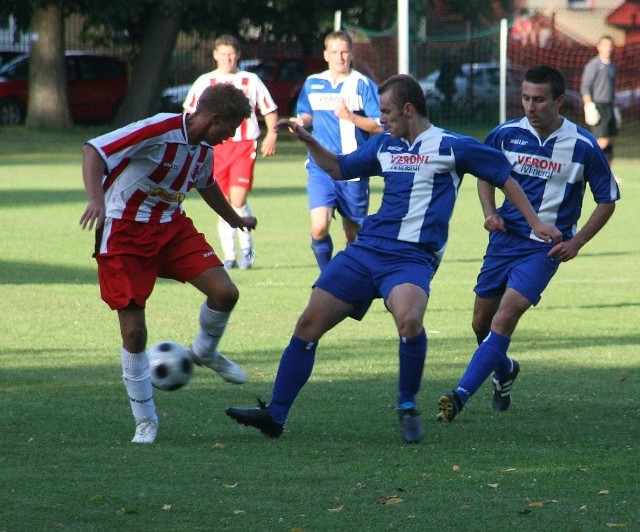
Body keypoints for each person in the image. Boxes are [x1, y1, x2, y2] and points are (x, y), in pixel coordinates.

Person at [225, 74, 561, 443]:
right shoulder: (384, 144)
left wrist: (534, 222)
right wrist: (309, 141)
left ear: (408, 109)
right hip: (365, 251)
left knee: (410, 322)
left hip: (411, 259)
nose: (380, 119)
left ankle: (406, 404)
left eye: (385, 111)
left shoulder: (452, 145)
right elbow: (339, 167)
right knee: (307, 324)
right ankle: (275, 414)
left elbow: (504, 176)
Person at [437, 65, 620, 423]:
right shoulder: (505, 135)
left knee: (504, 318)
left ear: (558, 101)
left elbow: (608, 199)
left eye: (538, 100)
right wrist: (490, 212)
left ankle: (459, 395)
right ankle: (504, 370)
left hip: (544, 249)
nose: (530, 106)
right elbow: (485, 175)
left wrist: (577, 241)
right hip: (504, 241)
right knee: (480, 324)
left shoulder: (582, 146)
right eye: (525, 98)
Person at [80, 84, 256, 444]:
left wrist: (234, 218)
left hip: (171, 229)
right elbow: (94, 150)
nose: (232, 136)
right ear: (214, 119)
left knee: (225, 292)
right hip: (124, 233)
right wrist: (96, 200)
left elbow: (206, 185)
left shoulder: (205, 147)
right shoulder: (159, 130)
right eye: (231, 127)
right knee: (134, 333)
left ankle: (205, 351)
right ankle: (146, 420)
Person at [183, 35, 278, 270]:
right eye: (223, 54)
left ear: (238, 55)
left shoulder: (250, 80)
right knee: (222, 199)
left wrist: (272, 134)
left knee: (238, 199)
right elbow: (188, 113)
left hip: (244, 145)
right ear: (215, 55)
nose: (227, 58)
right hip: (215, 147)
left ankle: (246, 248)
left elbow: (269, 109)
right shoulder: (205, 81)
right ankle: (229, 255)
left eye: (231, 54)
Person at [294, 30, 382, 270]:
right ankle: (327, 278)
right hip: (321, 166)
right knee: (319, 226)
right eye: (334, 52)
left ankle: (350, 279)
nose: (340, 57)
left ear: (352, 54)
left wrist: (350, 117)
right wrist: (299, 123)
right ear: (326, 55)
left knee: (353, 235)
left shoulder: (362, 85)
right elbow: (306, 115)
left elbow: (378, 126)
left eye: (344, 52)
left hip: (353, 167)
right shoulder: (313, 83)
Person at [580, 35, 619, 168]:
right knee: (601, 141)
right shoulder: (593, 65)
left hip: (610, 106)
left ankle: (608, 171)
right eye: (605, 46)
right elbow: (585, 86)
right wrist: (589, 105)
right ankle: (586, 166)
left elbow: (612, 88)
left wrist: (615, 107)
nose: (608, 49)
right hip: (598, 105)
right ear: (599, 47)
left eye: (610, 46)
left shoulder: (613, 66)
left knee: (611, 141)